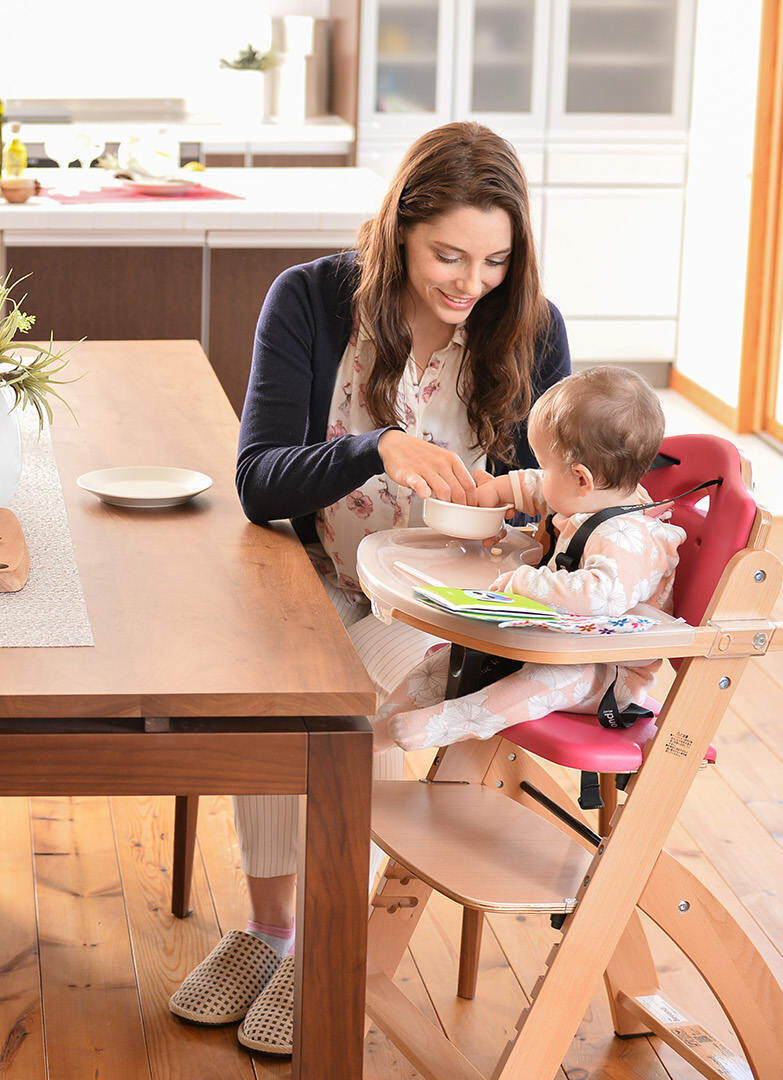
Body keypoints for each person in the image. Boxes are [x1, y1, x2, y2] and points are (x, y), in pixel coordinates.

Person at [169, 121, 571, 1055]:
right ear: (398, 227)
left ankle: (328, 944)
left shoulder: (533, 332)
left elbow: (569, 497)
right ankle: (272, 931)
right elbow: (259, 477)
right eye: (447, 254)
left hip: (459, 611)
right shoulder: (311, 300)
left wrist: (516, 503)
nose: (469, 283)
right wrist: (373, 446)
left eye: (494, 261)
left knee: (343, 698)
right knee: (282, 684)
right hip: (327, 577)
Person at [374, 367, 683, 750]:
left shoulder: (629, 537)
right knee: (449, 661)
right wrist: (496, 491)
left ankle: (445, 724)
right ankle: (377, 730)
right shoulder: (592, 495)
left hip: (604, 670)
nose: (540, 473)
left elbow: (599, 598)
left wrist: (524, 582)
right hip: (551, 643)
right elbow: (539, 486)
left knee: (541, 682)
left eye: (547, 464)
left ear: (582, 478)